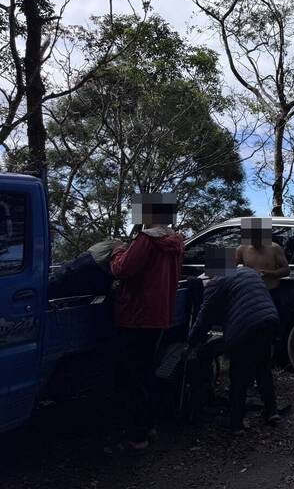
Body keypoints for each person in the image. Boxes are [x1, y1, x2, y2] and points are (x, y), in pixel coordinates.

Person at [106, 194, 184, 454]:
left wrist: (117, 249)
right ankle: (149, 426)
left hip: (136, 316)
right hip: (159, 315)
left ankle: (136, 436)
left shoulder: (146, 240)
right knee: (147, 371)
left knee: (132, 377)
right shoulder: (175, 241)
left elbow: (122, 269)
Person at [188, 248, 281, 432]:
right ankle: (271, 411)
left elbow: (204, 318)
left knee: (239, 372)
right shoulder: (248, 272)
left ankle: (235, 422)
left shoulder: (216, 283)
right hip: (270, 320)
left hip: (246, 327)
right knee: (262, 367)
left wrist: (192, 340)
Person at [235, 218, 290, 290]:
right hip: (249, 290)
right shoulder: (241, 249)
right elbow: (226, 271)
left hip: (271, 291)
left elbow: (286, 270)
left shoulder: (274, 248)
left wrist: (270, 273)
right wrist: (243, 274)